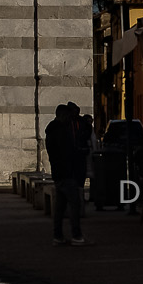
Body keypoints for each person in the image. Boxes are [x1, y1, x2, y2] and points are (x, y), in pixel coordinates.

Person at [44, 101, 90, 245]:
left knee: (60, 207)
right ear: (63, 115)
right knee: (74, 204)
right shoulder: (61, 132)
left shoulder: (52, 131)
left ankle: (58, 236)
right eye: (69, 117)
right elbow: (67, 152)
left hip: (58, 172)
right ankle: (76, 235)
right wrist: (79, 153)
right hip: (66, 172)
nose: (71, 120)